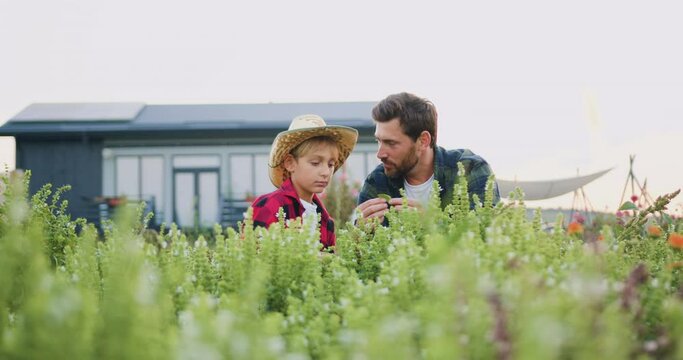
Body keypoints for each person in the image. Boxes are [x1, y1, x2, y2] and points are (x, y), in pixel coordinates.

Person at [356, 92, 500, 224]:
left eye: (391, 143)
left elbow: (486, 238)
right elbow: (358, 249)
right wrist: (358, 234)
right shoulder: (377, 181)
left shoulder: (470, 170)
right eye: (378, 141)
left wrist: (432, 224)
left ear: (423, 140)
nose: (380, 154)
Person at [250, 114, 358, 250]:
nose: (325, 172)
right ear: (290, 163)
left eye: (331, 164)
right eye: (315, 163)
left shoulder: (326, 221)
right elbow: (251, 259)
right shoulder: (270, 205)